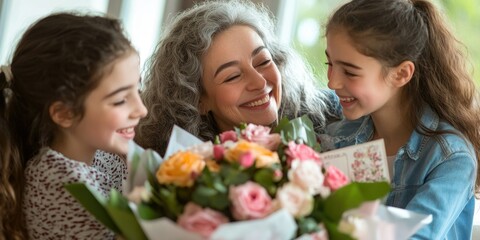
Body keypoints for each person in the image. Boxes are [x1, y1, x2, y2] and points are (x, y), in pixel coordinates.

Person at [322, 0, 480, 239]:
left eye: (350, 72)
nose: (332, 82)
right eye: (329, 64)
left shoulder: (451, 158)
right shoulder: (338, 135)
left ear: (401, 74)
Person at [0, 13, 147, 239]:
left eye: (136, 90)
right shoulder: (61, 182)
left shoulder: (100, 156)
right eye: (120, 100)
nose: (141, 110)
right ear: (64, 114)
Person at [136, 0, 340, 156]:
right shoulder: (182, 175)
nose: (259, 82)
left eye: (263, 62)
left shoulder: (335, 124)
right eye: (233, 76)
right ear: (197, 99)